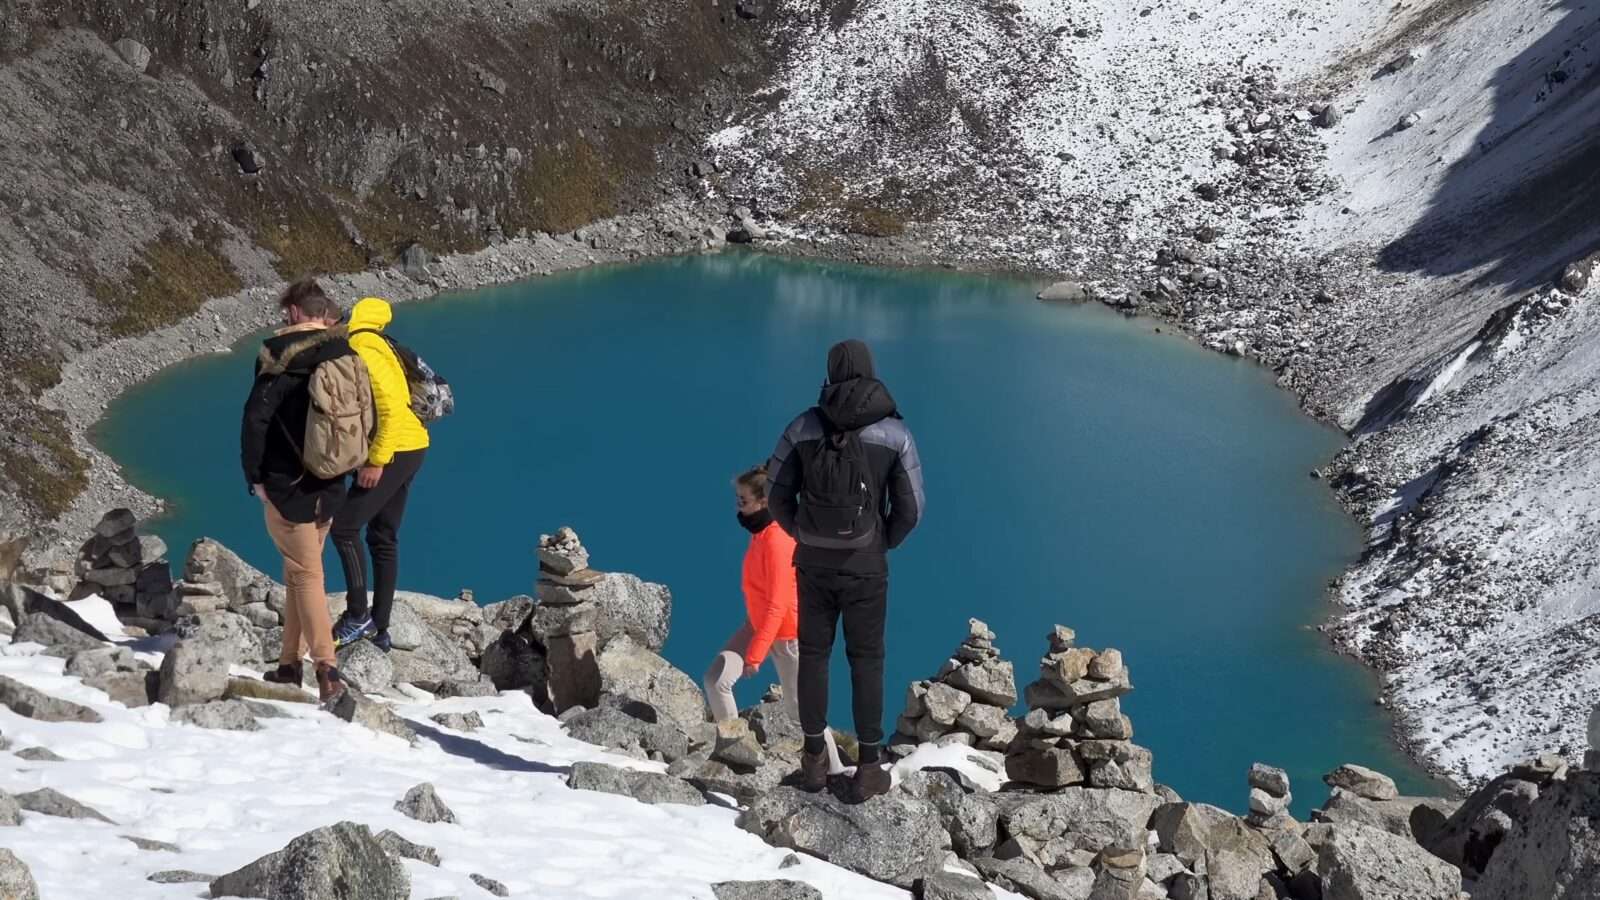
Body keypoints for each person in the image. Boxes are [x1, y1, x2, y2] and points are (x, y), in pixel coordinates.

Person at [767, 338, 924, 800]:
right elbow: (912, 509)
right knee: (867, 661)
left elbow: (776, 493)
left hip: (812, 563)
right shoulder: (895, 433)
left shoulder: (803, 425)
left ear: (831, 371)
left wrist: (802, 532)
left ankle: (814, 759)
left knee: (814, 657)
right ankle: (869, 767)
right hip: (866, 566)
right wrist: (878, 544)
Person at [239, 279, 360, 704]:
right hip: (331, 481)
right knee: (299, 571)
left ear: (292, 312)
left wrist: (255, 477)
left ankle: (326, 668)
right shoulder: (345, 352)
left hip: (287, 484)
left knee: (307, 574)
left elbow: (256, 419)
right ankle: (288, 665)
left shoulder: (278, 355)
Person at [704, 464, 844, 770]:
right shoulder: (759, 535)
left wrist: (755, 654)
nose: (737, 506)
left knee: (802, 713)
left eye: (743, 500)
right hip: (757, 625)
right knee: (716, 679)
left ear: (764, 501)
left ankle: (837, 771)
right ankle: (736, 753)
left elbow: (778, 603)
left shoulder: (778, 539)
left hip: (788, 636)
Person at [329, 297, 430, 652]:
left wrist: (376, 461)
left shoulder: (360, 346)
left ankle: (358, 617)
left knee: (343, 528)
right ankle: (380, 628)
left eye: (337, 318)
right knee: (383, 536)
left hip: (395, 449)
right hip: (412, 444)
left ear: (350, 319)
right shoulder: (380, 343)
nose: (332, 324)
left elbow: (388, 408)